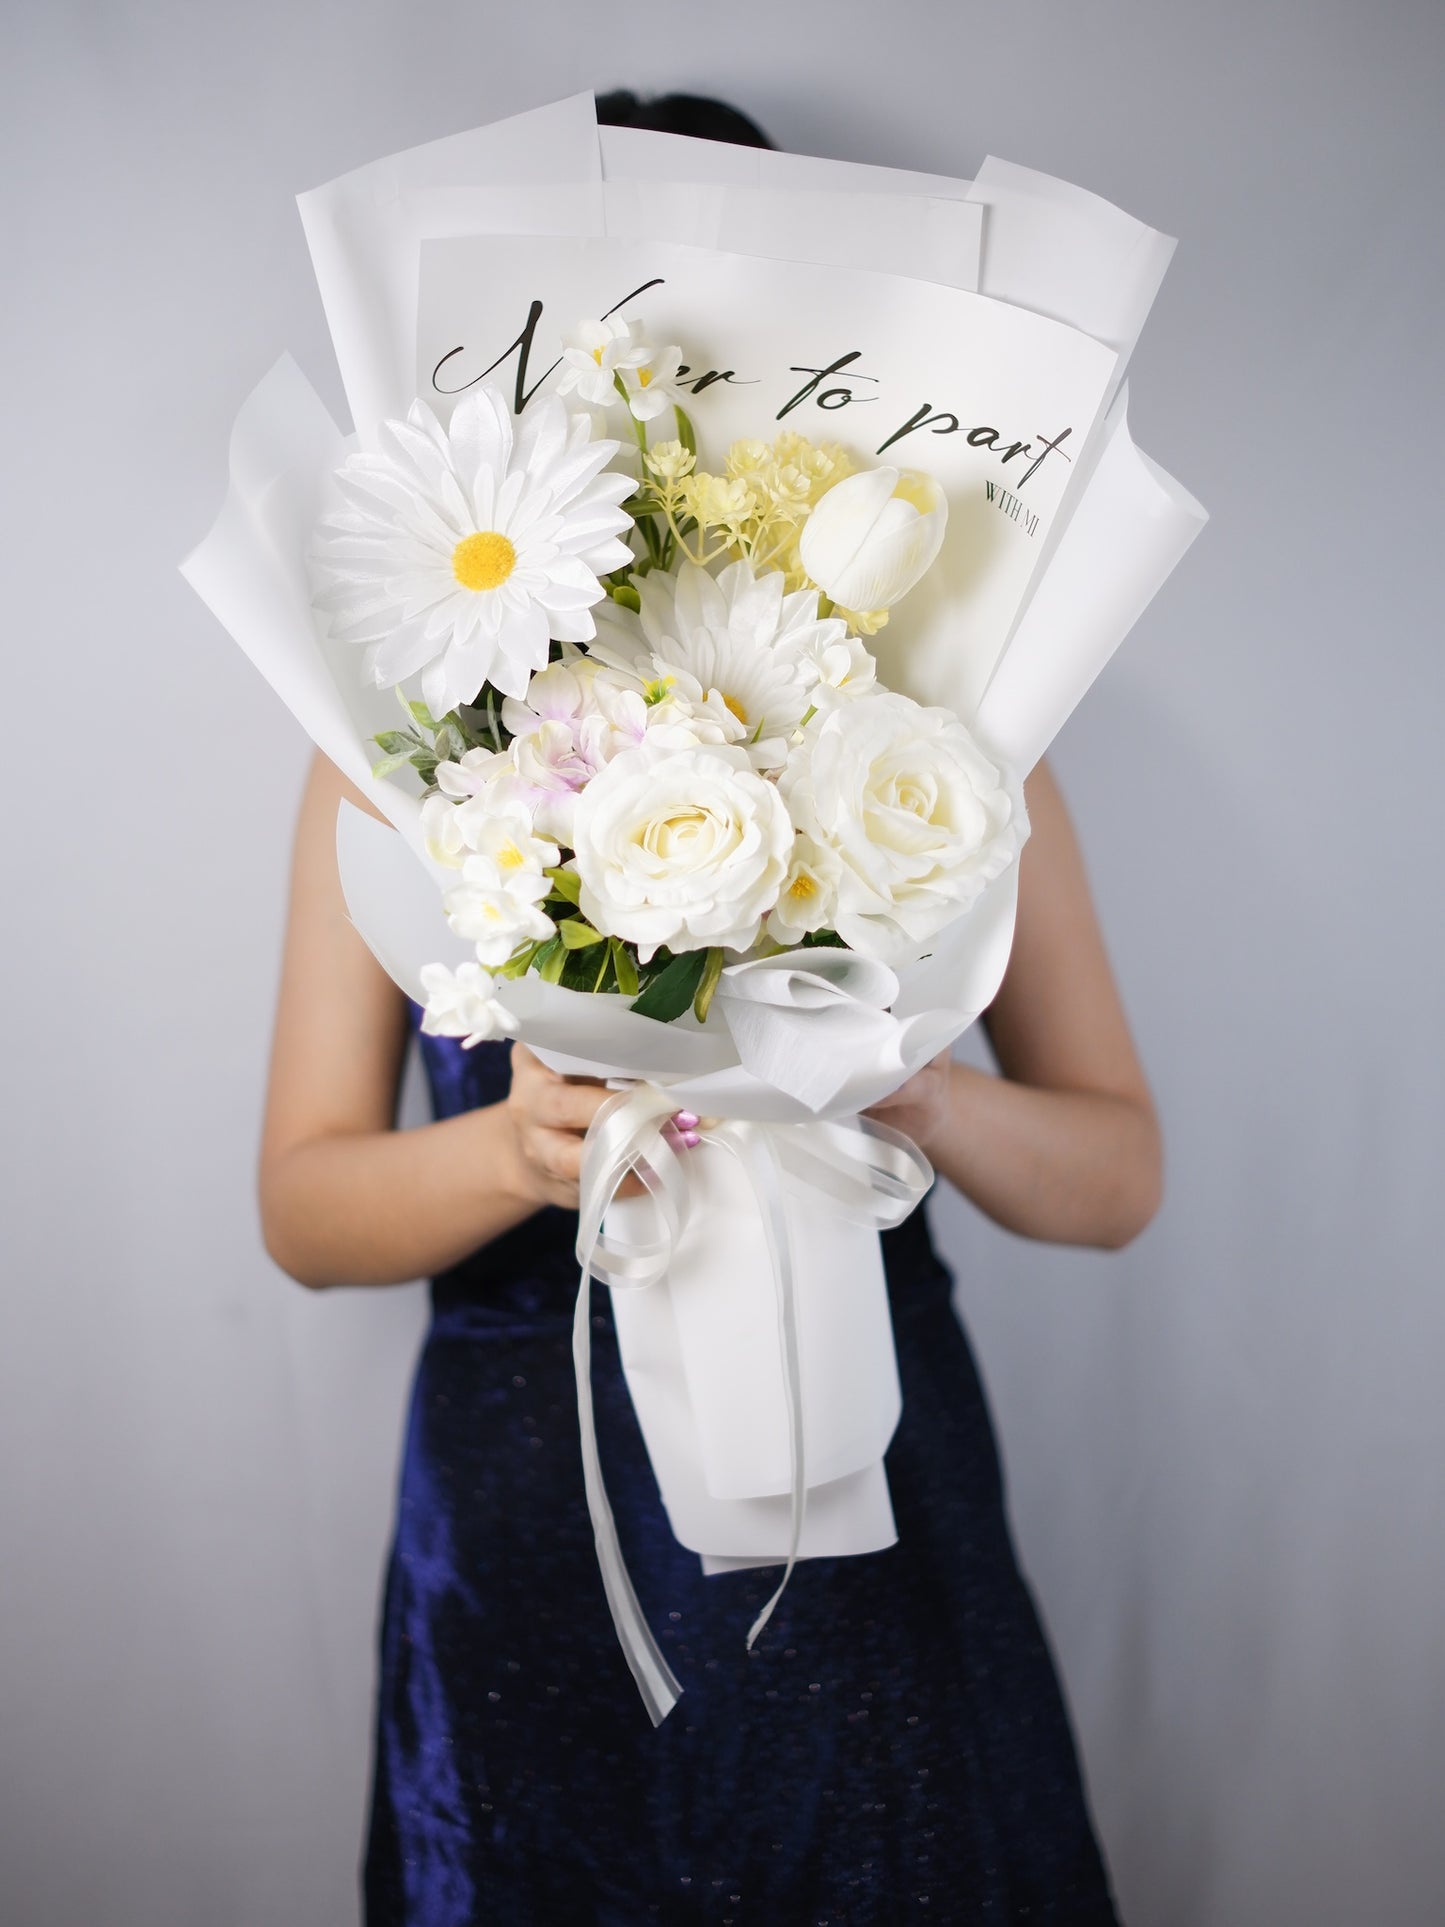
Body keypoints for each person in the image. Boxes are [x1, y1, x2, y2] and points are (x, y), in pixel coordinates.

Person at [259, 91, 1161, 1927]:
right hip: (528, 1493)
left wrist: (900, 1092)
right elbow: (302, 1208)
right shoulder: (386, 748)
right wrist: (516, 1148)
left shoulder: (960, 746)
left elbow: (1115, 1171)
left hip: (870, 1465)